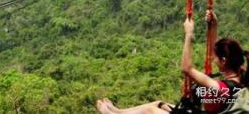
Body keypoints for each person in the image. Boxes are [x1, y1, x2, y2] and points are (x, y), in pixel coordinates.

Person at [96, 10, 249, 114]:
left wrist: (189, 34)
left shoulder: (218, 89)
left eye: (215, 58)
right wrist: (213, 25)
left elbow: (187, 68)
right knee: (158, 104)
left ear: (223, 61)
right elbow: (216, 51)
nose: (212, 59)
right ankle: (118, 112)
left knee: (152, 112)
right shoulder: (241, 77)